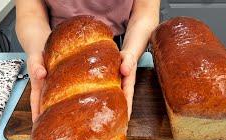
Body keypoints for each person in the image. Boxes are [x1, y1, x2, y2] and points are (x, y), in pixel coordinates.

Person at [15, 0, 160, 122]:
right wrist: (42, 54)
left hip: (118, 46)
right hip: (55, 49)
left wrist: (131, 54)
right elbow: (30, 14)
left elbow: (145, 12)